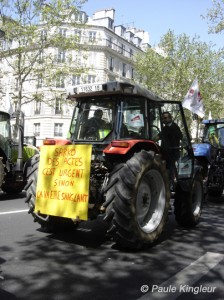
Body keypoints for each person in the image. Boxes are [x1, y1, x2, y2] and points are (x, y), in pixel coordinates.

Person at [153, 111, 183, 189]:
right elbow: (158, 137)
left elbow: (180, 136)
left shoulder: (174, 127)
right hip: (165, 153)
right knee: (167, 169)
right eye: (163, 118)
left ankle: (171, 186)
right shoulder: (165, 128)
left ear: (170, 118)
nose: (164, 120)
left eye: (165, 118)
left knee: (171, 170)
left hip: (172, 153)